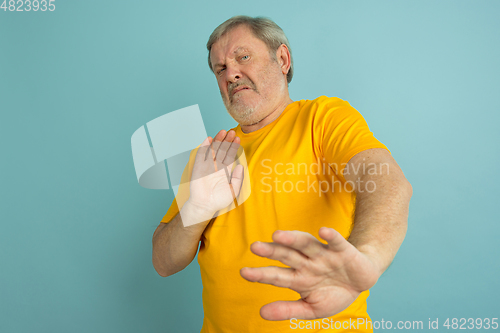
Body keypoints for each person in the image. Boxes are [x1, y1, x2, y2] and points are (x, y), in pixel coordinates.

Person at [152, 15, 412, 333]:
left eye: (242, 57)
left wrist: (367, 257)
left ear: (283, 59)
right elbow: (164, 263)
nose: (230, 73)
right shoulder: (211, 155)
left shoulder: (323, 118)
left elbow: (385, 180)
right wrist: (197, 209)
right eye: (219, 69)